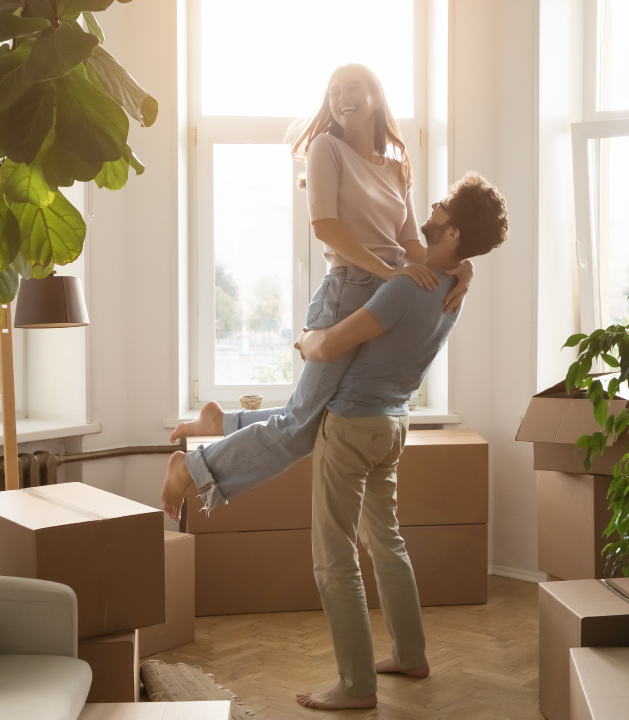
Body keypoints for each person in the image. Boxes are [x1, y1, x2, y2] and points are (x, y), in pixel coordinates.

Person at [160, 64, 473, 520]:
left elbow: (410, 245)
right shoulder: (327, 148)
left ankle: (219, 422)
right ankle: (191, 467)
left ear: (375, 97)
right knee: (300, 427)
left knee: (312, 414)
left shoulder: (396, 168)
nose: (342, 98)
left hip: (387, 295)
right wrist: (387, 275)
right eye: (334, 91)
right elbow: (326, 227)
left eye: (353, 89)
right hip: (348, 290)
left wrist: (462, 266)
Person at [291, 172, 508, 710]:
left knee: (333, 556)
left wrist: (305, 339)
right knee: (386, 541)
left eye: (443, 206)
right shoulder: (455, 288)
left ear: (453, 233)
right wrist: (468, 267)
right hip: (392, 426)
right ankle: (410, 654)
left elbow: (329, 347)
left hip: (352, 426)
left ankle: (356, 686)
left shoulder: (407, 287)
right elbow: (461, 263)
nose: (432, 207)